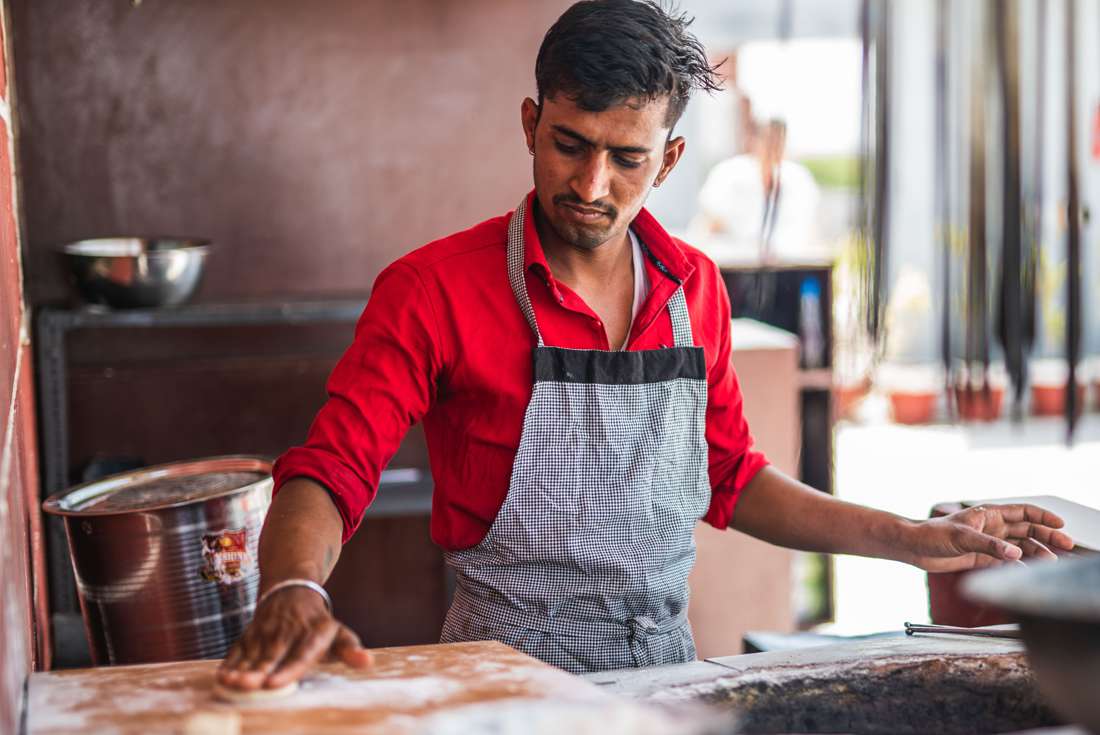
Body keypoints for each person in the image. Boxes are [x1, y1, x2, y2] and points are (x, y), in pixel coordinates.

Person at [217, 0, 1072, 689]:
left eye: (625, 158)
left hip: (670, 683)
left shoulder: (694, 288)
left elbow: (731, 477)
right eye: (569, 145)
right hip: (503, 683)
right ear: (529, 123)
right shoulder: (432, 289)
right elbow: (331, 470)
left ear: (668, 161)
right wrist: (293, 584)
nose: (592, 186)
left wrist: (912, 536)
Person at [693, 116, 822, 261]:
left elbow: (807, 227)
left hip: (787, 264)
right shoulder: (729, 172)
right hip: (734, 262)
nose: (773, 146)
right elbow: (712, 221)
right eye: (768, 139)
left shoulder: (798, 178)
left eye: (778, 140)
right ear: (755, 140)